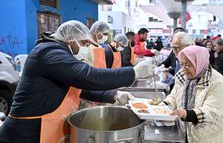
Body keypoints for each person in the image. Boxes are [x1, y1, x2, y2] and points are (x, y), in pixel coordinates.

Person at [0, 20, 154, 143]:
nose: (87, 47)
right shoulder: (49, 52)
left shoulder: (58, 51)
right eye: (84, 43)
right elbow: (88, 76)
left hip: (43, 127)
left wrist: (114, 95)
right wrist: (133, 73)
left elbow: (80, 87)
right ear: (71, 39)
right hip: (25, 132)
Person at [165, 45, 223, 143]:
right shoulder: (183, 76)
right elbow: (174, 96)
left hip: (214, 134)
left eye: (188, 65)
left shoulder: (217, 81)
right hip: (191, 132)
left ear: (200, 63)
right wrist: (164, 106)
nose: (184, 68)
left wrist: (185, 113)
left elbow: (211, 111)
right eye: (182, 64)